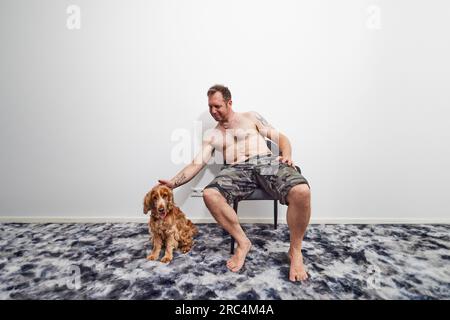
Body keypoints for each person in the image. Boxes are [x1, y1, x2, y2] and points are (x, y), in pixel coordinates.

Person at [157, 84, 311, 281]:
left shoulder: (251, 117)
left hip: (264, 162)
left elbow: (281, 138)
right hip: (237, 169)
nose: (213, 111)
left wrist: (287, 155)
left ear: (229, 103)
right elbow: (197, 163)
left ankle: (295, 251)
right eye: (210, 107)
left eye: (217, 106)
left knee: (301, 191)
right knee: (210, 194)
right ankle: (242, 242)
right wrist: (172, 183)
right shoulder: (212, 135)